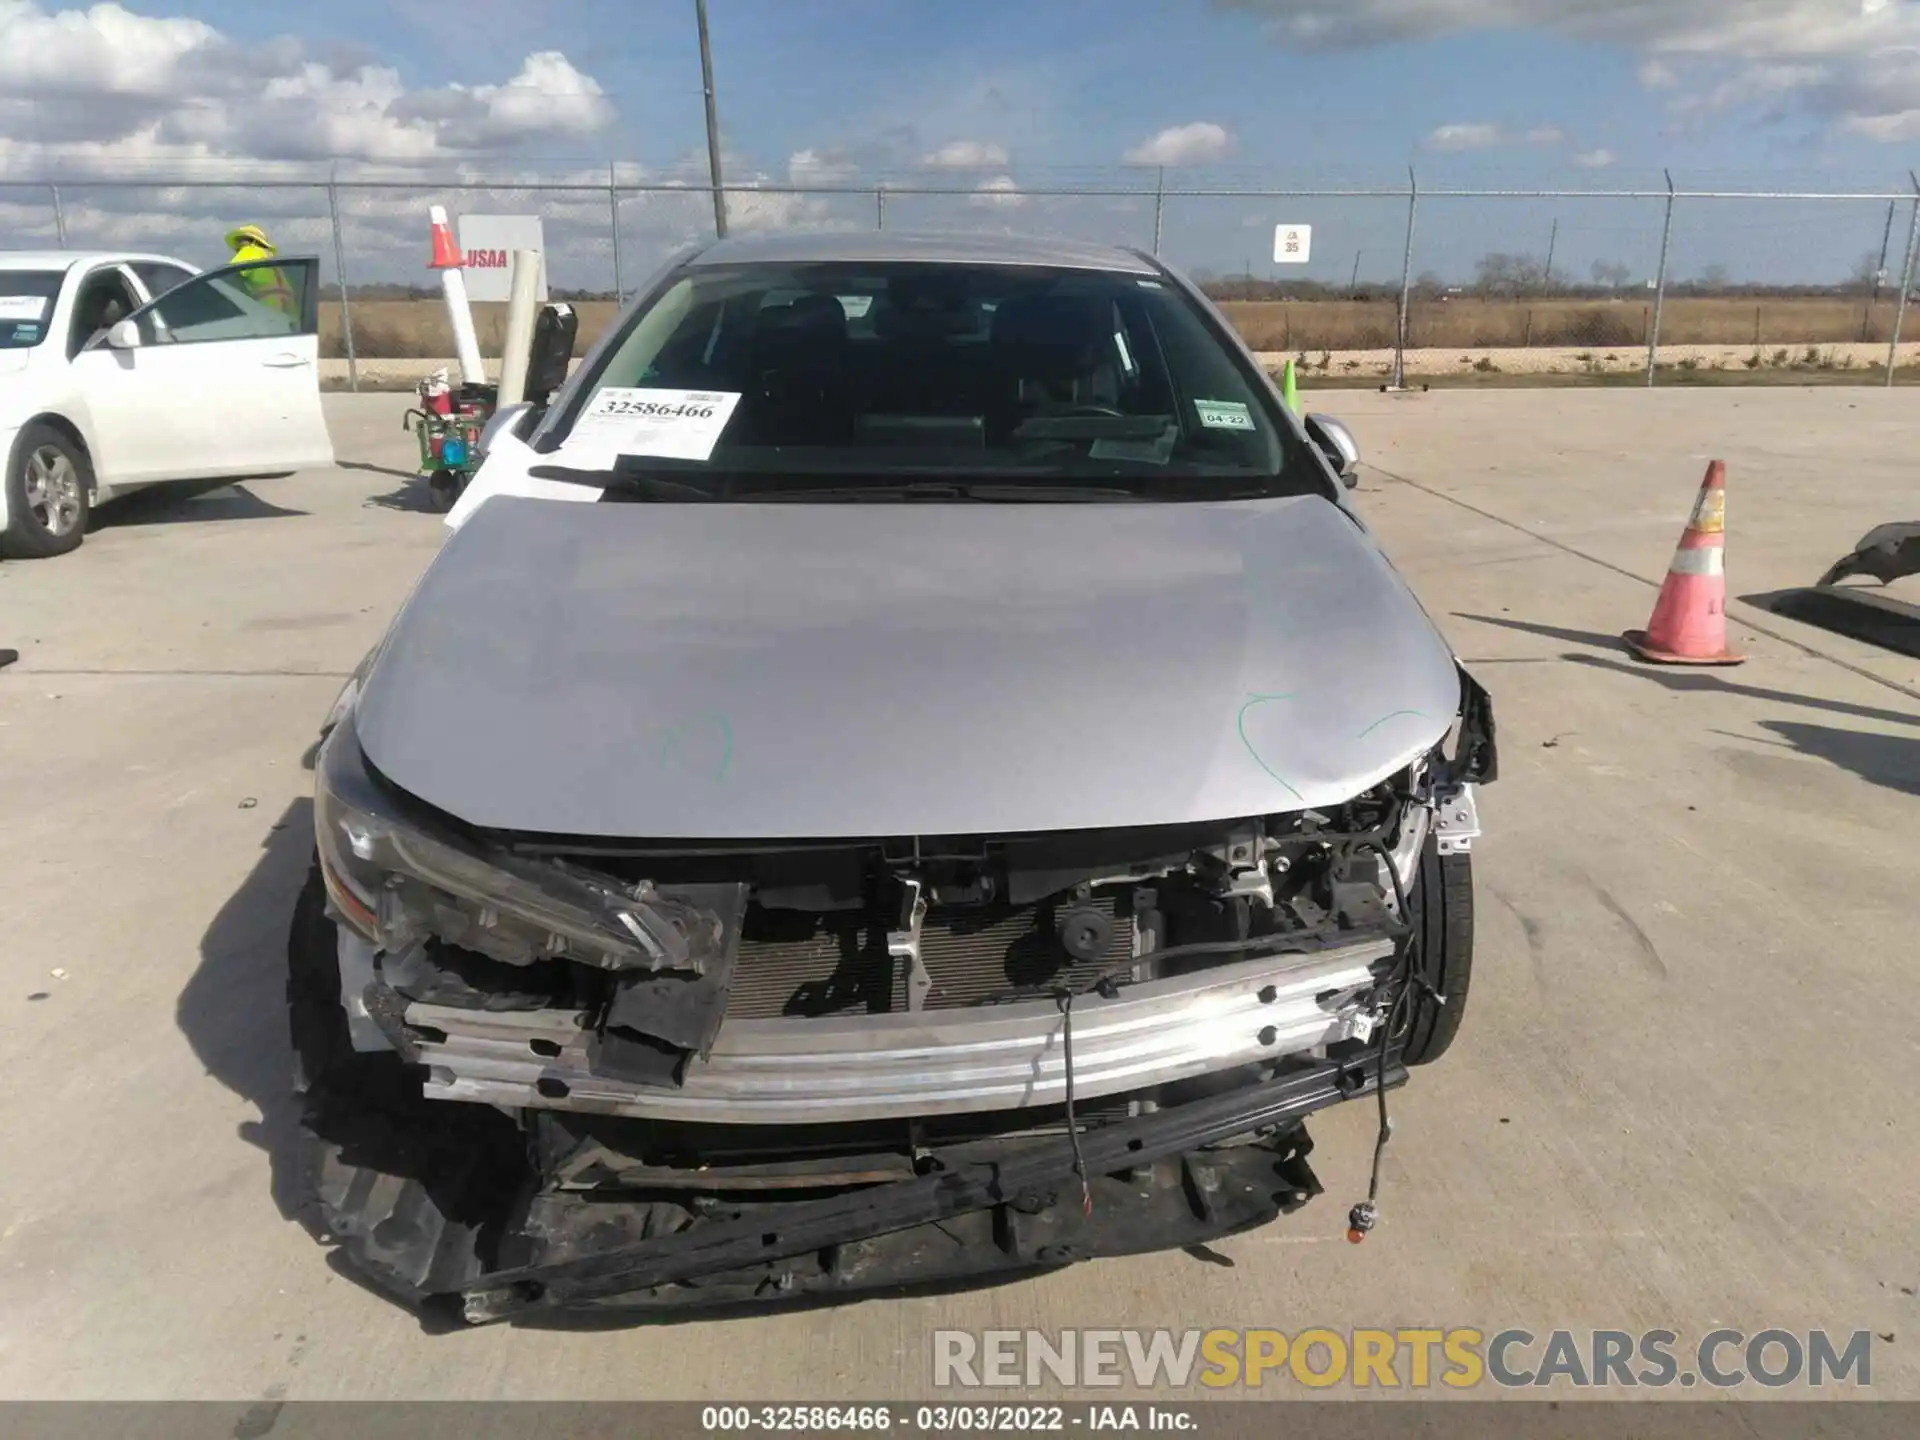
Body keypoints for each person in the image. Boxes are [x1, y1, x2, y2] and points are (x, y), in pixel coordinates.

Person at [223, 224, 298, 318]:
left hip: (264, 313)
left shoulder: (250, 251)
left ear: (252, 241)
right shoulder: (270, 258)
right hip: (285, 315)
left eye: (240, 240)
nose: (237, 246)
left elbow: (228, 274)